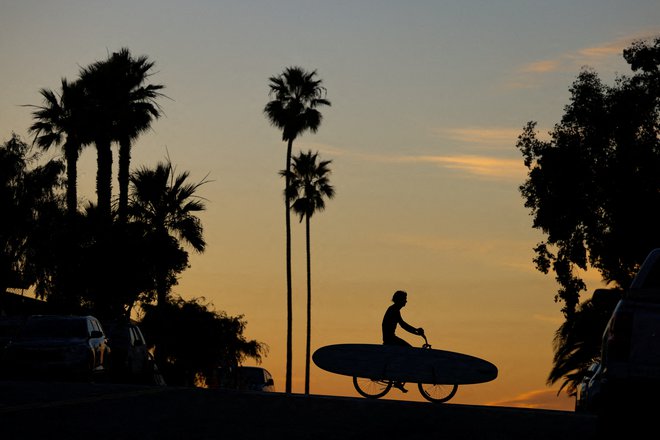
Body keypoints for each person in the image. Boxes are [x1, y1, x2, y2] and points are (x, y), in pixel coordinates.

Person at [381, 290, 424, 393]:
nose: (406, 301)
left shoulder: (394, 309)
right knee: (410, 351)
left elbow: (402, 324)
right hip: (390, 339)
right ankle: (398, 379)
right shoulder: (394, 310)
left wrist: (416, 331)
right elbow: (403, 325)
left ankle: (398, 378)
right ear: (400, 300)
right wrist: (416, 331)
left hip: (390, 338)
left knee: (404, 355)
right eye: (404, 299)